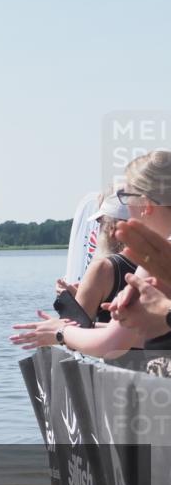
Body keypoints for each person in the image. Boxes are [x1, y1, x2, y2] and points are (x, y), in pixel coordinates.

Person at [11, 151, 171, 361]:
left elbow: (112, 344)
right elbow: (139, 335)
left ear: (146, 205)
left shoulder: (155, 260)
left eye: (126, 197)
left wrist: (60, 333)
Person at [54, 193, 134, 324]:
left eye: (100, 222)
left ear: (111, 228)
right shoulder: (155, 262)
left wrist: (67, 299)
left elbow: (77, 328)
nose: (98, 229)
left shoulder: (102, 268)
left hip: (111, 344)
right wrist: (82, 295)